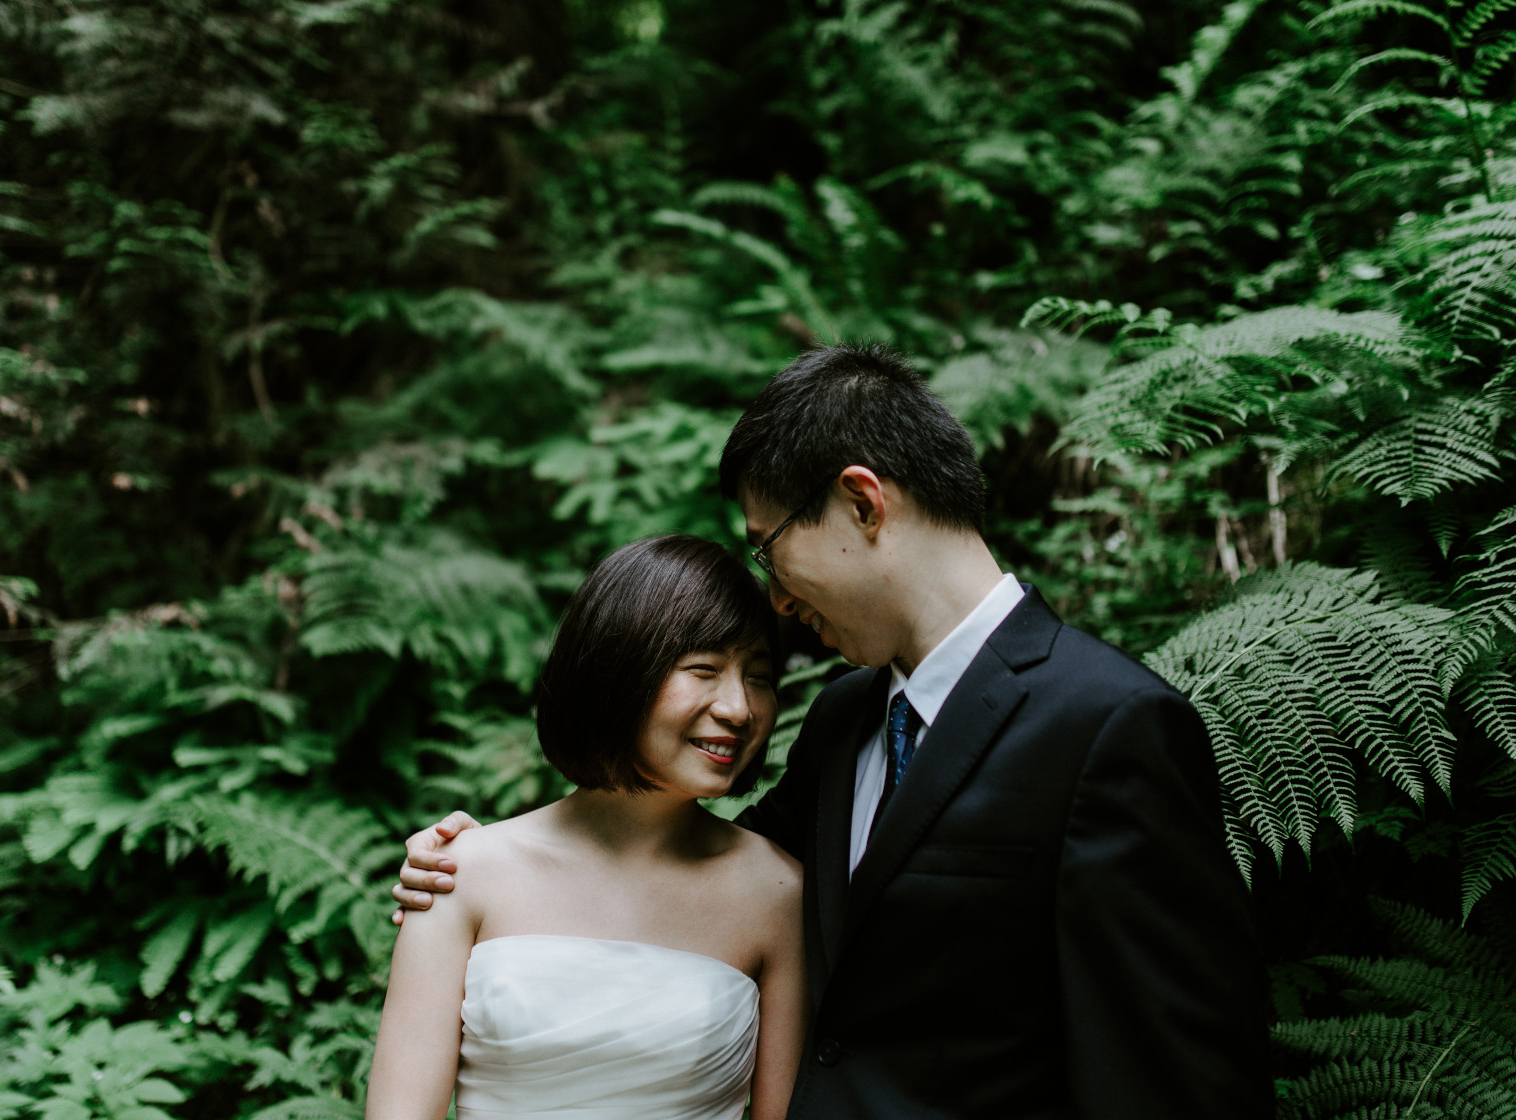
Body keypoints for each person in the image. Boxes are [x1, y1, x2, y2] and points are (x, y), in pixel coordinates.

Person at [394, 344, 1273, 1119]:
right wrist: (480, 863)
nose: (774, 595)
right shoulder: (849, 717)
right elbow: (681, 870)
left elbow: (1179, 1079)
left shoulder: (1109, 724)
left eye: (767, 544)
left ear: (862, 503)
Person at [366, 534, 808, 1120]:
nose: (739, 708)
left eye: (758, 676)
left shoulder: (778, 893)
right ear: (617, 672)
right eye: (703, 669)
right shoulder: (460, 872)